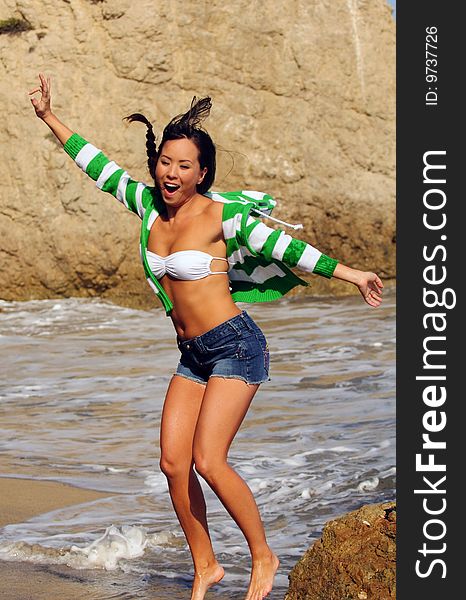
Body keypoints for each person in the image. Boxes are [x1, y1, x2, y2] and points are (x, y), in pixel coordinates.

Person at [29, 73, 383, 600]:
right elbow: (97, 166)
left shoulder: (224, 216)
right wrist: (49, 118)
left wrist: (350, 273)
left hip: (236, 346)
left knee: (208, 459)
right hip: (192, 353)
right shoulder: (147, 204)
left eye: (184, 165)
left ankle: (263, 555)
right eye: (165, 162)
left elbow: (286, 248)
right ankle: (207, 567)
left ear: (203, 172)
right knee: (173, 463)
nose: (171, 173)